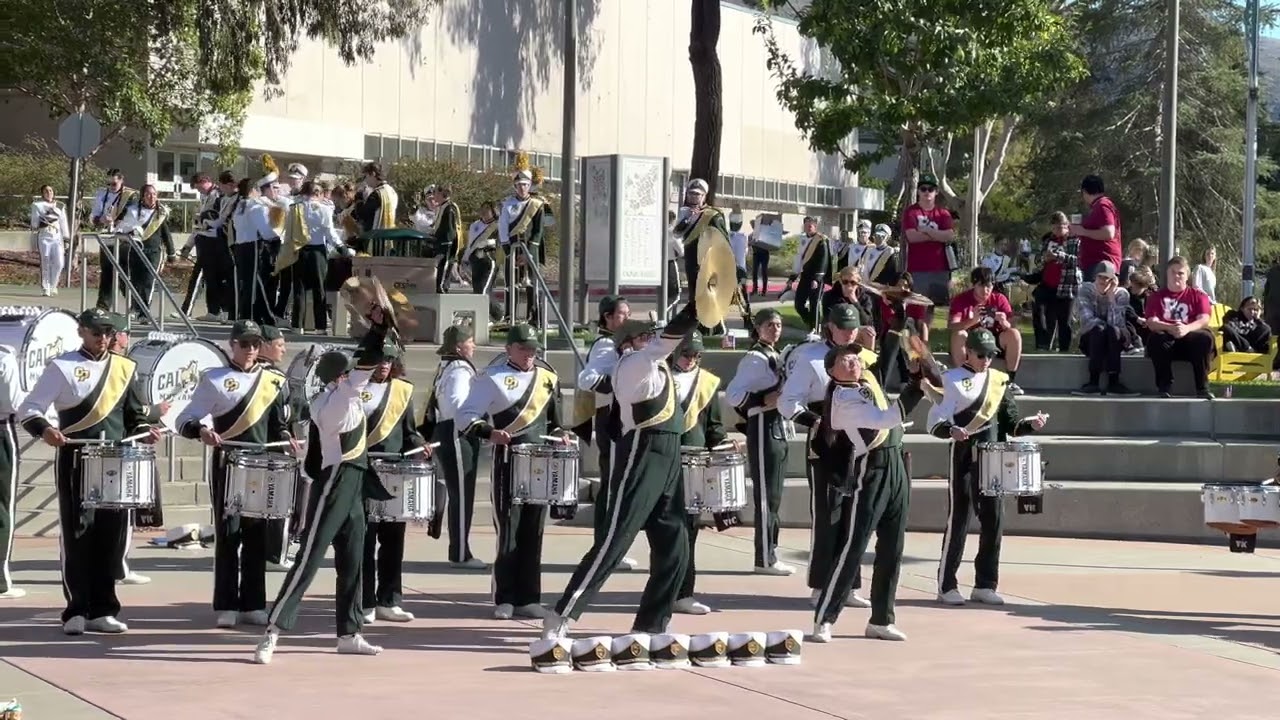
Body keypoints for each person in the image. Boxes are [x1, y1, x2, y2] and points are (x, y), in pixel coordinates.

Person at [541, 300, 700, 641]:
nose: (652, 340)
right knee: (615, 539)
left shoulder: (661, 369)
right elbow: (667, 341)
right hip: (641, 455)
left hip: (668, 458)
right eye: (645, 336)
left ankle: (652, 624)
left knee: (676, 546)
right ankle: (562, 614)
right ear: (628, 342)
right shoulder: (632, 363)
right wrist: (694, 309)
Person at [253, 313, 394, 664]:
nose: (356, 376)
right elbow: (368, 364)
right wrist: (377, 329)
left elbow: (367, 366)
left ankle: (350, 632)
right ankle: (272, 631)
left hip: (355, 483)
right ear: (340, 377)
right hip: (335, 483)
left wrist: (378, 329)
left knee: (355, 560)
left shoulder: (340, 395)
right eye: (350, 372)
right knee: (310, 559)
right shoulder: (338, 399)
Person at [18, 308, 163, 634]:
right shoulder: (63, 366)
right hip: (76, 457)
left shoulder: (125, 368)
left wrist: (146, 429)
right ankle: (76, 610)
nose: (103, 338)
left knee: (111, 536)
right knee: (78, 534)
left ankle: (103, 609)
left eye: (109, 333)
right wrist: (46, 431)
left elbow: (134, 416)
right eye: (97, 332)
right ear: (82, 331)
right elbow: (30, 408)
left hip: (115, 459)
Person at [810, 305, 926, 643]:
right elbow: (886, 419)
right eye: (845, 359)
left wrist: (901, 326)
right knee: (853, 545)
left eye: (856, 358)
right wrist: (916, 385)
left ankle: (881, 619)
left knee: (893, 547)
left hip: (896, 467)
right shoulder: (841, 398)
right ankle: (824, 617)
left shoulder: (866, 379)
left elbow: (887, 355)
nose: (854, 361)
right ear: (832, 371)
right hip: (870, 469)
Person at [176, 320, 295, 628]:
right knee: (229, 534)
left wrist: (287, 440)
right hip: (227, 461)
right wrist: (201, 430)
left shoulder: (274, 381)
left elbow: (278, 424)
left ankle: (254, 603)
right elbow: (185, 418)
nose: (251, 350)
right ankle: (227, 604)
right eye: (245, 344)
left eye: (255, 344)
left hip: (261, 462)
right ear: (233, 345)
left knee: (257, 534)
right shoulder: (215, 379)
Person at [929, 329, 1047, 607]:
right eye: (981, 354)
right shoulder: (951, 380)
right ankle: (947, 585)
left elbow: (1011, 424)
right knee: (958, 518)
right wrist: (951, 431)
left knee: (994, 520)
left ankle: (985, 583)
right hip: (963, 456)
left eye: (991, 355)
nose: (986, 360)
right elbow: (935, 421)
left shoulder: (999, 381)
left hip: (993, 458)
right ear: (968, 351)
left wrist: (1032, 424)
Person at [459, 324, 570, 619]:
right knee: (509, 528)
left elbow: (555, 422)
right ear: (509, 348)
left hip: (540, 462)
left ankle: (529, 596)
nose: (529, 355)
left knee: (534, 529)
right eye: (523, 349)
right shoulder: (491, 378)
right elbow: (466, 416)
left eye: (533, 350)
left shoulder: (547, 377)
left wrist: (562, 434)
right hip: (507, 460)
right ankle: (505, 597)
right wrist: (489, 432)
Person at [779, 303, 874, 609]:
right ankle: (821, 585)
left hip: (859, 439)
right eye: (843, 326)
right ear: (830, 326)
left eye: (853, 327)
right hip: (827, 439)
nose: (849, 332)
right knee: (828, 513)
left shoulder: (864, 357)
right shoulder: (809, 357)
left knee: (854, 515)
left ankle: (848, 584)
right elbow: (787, 402)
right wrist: (816, 422)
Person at [361, 343, 428, 623]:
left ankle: (389, 600)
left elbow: (409, 433)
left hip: (395, 473)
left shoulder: (403, 390)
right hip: (364, 470)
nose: (384, 364)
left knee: (393, 540)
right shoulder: (355, 389)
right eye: (379, 359)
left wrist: (421, 445)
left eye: (389, 359)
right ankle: (364, 602)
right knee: (364, 540)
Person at [727, 308, 792, 575]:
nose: (775, 329)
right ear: (758, 328)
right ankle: (764, 557)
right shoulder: (755, 358)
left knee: (774, 496)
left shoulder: (775, 354)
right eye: (769, 325)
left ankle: (770, 553)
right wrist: (764, 399)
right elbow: (734, 395)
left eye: (778, 325)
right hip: (764, 427)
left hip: (778, 427)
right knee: (767, 496)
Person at [576, 295, 638, 571]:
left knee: (619, 483)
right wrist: (619, 383)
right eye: (621, 314)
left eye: (628, 313)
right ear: (608, 317)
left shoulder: (622, 344)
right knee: (613, 483)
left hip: (623, 420)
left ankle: (611, 546)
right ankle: (606, 547)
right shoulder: (605, 345)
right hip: (611, 419)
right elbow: (587, 379)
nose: (626, 318)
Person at [669, 333, 730, 615]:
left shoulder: (707, 382)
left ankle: (684, 592)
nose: (691, 360)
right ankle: (664, 591)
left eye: (696, 355)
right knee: (665, 530)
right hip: (663, 461)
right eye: (686, 354)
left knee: (689, 529)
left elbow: (714, 428)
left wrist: (722, 446)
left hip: (693, 463)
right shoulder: (659, 376)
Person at [423, 326, 485, 569]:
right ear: (459, 346)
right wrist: (477, 420)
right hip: (457, 434)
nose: (474, 346)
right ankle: (460, 554)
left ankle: (460, 549)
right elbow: (456, 406)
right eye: (470, 341)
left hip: (449, 431)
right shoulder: (459, 371)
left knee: (461, 494)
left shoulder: (447, 367)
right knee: (461, 495)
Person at [1144, 256, 1215, 398]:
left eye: (1181, 273)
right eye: (1173, 272)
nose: (1176, 276)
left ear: (1187, 276)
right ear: (1167, 274)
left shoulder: (1199, 296)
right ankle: (1165, 386)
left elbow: (1204, 319)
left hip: (1190, 339)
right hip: (1166, 340)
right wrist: (1171, 327)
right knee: (1156, 338)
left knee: (1205, 337)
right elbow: (1151, 322)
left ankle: (1202, 387)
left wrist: (1186, 328)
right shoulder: (1156, 297)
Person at [255, 326, 295, 570]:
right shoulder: (275, 377)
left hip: (253, 447)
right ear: (266, 345)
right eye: (280, 345)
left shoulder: (247, 373)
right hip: (274, 448)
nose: (284, 349)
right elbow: (284, 413)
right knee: (278, 502)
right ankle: (275, 555)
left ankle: (254, 551)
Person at [948, 266, 1023, 394]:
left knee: (1014, 334)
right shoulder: (961, 300)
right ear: (973, 285)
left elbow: (1012, 325)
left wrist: (1004, 322)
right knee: (959, 335)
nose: (985, 290)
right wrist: (973, 320)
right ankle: (964, 379)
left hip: (993, 341)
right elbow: (952, 326)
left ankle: (1010, 381)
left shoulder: (999, 299)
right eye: (981, 286)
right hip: (971, 341)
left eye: (989, 286)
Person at [671, 179, 730, 334]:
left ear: (704, 196)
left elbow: (723, 237)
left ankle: (715, 325)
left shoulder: (712, 214)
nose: (694, 197)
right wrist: (689, 218)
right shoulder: (684, 212)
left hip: (707, 259)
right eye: (691, 194)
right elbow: (677, 232)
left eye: (697, 194)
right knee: (694, 294)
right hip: (691, 259)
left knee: (708, 293)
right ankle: (700, 325)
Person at [1073, 262, 1138, 396]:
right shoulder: (1085, 290)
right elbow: (1087, 321)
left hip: (1115, 339)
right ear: (1095, 277)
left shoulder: (1122, 294)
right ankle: (1093, 382)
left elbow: (1119, 324)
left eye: (1107, 278)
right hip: (1090, 339)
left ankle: (1114, 382)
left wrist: (1111, 298)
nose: (1103, 281)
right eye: (1100, 277)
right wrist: (1105, 327)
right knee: (1098, 329)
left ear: (1114, 280)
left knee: (1112, 331)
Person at [113, 184, 176, 320]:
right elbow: (122, 226)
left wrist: (171, 253)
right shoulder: (133, 211)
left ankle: (144, 313)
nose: (151, 197)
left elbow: (166, 234)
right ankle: (136, 307)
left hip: (153, 252)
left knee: (148, 282)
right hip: (135, 249)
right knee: (134, 281)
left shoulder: (161, 212)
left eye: (154, 194)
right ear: (142, 196)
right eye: (148, 194)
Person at [182, 171, 238, 321]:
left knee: (211, 278)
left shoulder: (219, 196)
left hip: (215, 242)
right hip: (205, 239)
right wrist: (189, 244)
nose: (199, 191)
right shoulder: (206, 196)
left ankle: (215, 311)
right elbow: (199, 224)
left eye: (199, 187)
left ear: (205, 181)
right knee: (210, 278)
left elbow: (216, 220)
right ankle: (214, 311)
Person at [498, 171, 550, 324]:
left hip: (530, 249)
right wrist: (509, 250)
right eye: (519, 185)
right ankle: (510, 316)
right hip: (513, 247)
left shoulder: (537, 204)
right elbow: (503, 227)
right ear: (515, 186)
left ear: (530, 186)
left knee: (532, 284)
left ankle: (534, 317)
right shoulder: (507, 204)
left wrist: (529, 253)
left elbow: (538, 230)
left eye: (525, 185)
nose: (522, 188)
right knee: (511, 284)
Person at [902, 173, 956, 317]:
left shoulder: (943, 213)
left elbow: (949, 235)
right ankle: (915, 334)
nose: (927, 192)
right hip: (918, 269)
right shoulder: (911, 212)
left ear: (936, 191)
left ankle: (925, 337)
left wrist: (926, 230)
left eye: (930, 189)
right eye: (923, 189)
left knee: (932, 307)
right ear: (918, 191)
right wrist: (937, 234)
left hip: (940, 269)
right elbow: (912, 236)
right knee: (916, 307)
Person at [1031, 212, 1080, 352]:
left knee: (1065, 321)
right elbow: (1038, 260)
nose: (1057, 231)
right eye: (1054, 228)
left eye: (1060, 227)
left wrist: (1059, 256)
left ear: (1067, 226)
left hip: (1066, 286)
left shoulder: (1074, 241)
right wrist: (1043, 259)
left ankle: (1064, 350)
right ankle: (1043, 344)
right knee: (1040, 311)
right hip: (1048, 284)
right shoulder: (1048, 241)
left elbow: (1079, 261)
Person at [91, 169, 136, 311]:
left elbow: (131, 216)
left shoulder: (130, 195)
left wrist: (116, 221)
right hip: (106, 236)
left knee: (124, 272)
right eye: (108, 183)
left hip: (123, 238)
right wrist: (100, 219)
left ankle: (135, 306)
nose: (111, 186)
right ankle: (103, 306)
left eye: (114, 183)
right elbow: (93, 216)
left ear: (121, 181)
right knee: (107, 271)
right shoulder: (102, 194)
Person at [0, 344, 25, 599]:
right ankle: (0, 581)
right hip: (0, 430)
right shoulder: (5, 357)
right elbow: (14, 402)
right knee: (3, 507)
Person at [1070, 174, 1123, 281]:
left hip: (1101, 264)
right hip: (1095, 264)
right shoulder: (1098, 206)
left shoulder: (1103, 205)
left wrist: (1083, 231)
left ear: (1085, 191)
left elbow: (1108, 233)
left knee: (1095, 296)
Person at [792, 216, 831, 330]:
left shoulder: (821, 240)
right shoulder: (802, 239)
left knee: (814, 304)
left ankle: (815, 330)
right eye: (807, 225)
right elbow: (799, 259)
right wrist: (793, 277)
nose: (809, 227)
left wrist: (817, 278)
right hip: (805, 276)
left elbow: (824, 260)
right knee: (799, 304)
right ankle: (811, 323)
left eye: (811, 225)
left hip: (816, 278)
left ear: (816, 226)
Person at [30, 184, 70, 296]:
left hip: (57, 237)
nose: (49, 193)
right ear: (42, 193)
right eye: (46, 191)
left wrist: (66, 238)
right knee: (46, 261)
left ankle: (53, 285)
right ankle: (46, 287)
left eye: (51, 191)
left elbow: (63, 222)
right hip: (44, 236)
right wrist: (38, 226)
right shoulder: (37, 205)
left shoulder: (60, 206)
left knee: (59, 263)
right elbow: (34, 223)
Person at [462, 203, 500, 297]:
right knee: (477, 290)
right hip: (475, 260)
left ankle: (495, 311)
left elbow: (500, 242)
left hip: (488, 259)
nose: (484, 211)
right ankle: (492, 311)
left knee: (484, 290)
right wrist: (465, 258)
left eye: (487, 209)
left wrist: (489, 242)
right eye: (482, 208)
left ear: (493, 211)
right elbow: (470, 244)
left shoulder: (497, 225)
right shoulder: (474, 225)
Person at [431, 185, 463, 294]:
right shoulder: (442, 207)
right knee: (441, 265)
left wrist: (447, 241)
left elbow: (450, 227)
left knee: (444, 265)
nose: (433, 195)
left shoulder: (450, 208)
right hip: (441, 242)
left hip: (447, 243)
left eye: (435, 193)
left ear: (441, 194)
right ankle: (440, 286)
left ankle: (442, 286)